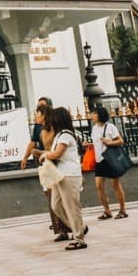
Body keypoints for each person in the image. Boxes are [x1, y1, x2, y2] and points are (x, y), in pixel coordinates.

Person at [40, 107, 88, 251]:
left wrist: (46, 155)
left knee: (72, 207)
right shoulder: (59, 135)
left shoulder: (66, 135)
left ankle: (79, 238)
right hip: (59, 176)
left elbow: (57, 154)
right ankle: (81, 227)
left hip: (69, 175)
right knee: (56, 206)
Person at [36, 102, 71, 241]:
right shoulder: (41, 131)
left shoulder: (56, 131)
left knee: (62, 201)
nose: (36, 117)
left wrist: (42, 153)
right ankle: (61, 229)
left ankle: (73, 227)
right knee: (52, 200)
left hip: (58, 165)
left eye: (38, 114)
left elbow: (54, 151)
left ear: (44, 115)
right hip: (49, 165)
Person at [91, 105, 128, 220]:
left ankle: (122, 210)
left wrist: (109, 142)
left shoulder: (110, 127)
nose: (92, 115)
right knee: (99, 186)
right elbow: (96, 144)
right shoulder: (94, 128)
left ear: (100, 115)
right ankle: (107, 211)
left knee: (115, 185)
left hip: (110, 159)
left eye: (94, 113)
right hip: (99, 160)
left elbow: (121, 141)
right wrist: (87, 145)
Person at [20, 96, 53, 170]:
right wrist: (25, 158)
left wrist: (39, 152)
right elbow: (33, 142)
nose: (39, 109)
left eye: (42, 106)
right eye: (38, 107)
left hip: (54, 160)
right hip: (44, 160)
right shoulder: (38, 125)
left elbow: (52, 149)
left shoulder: (55, 123)